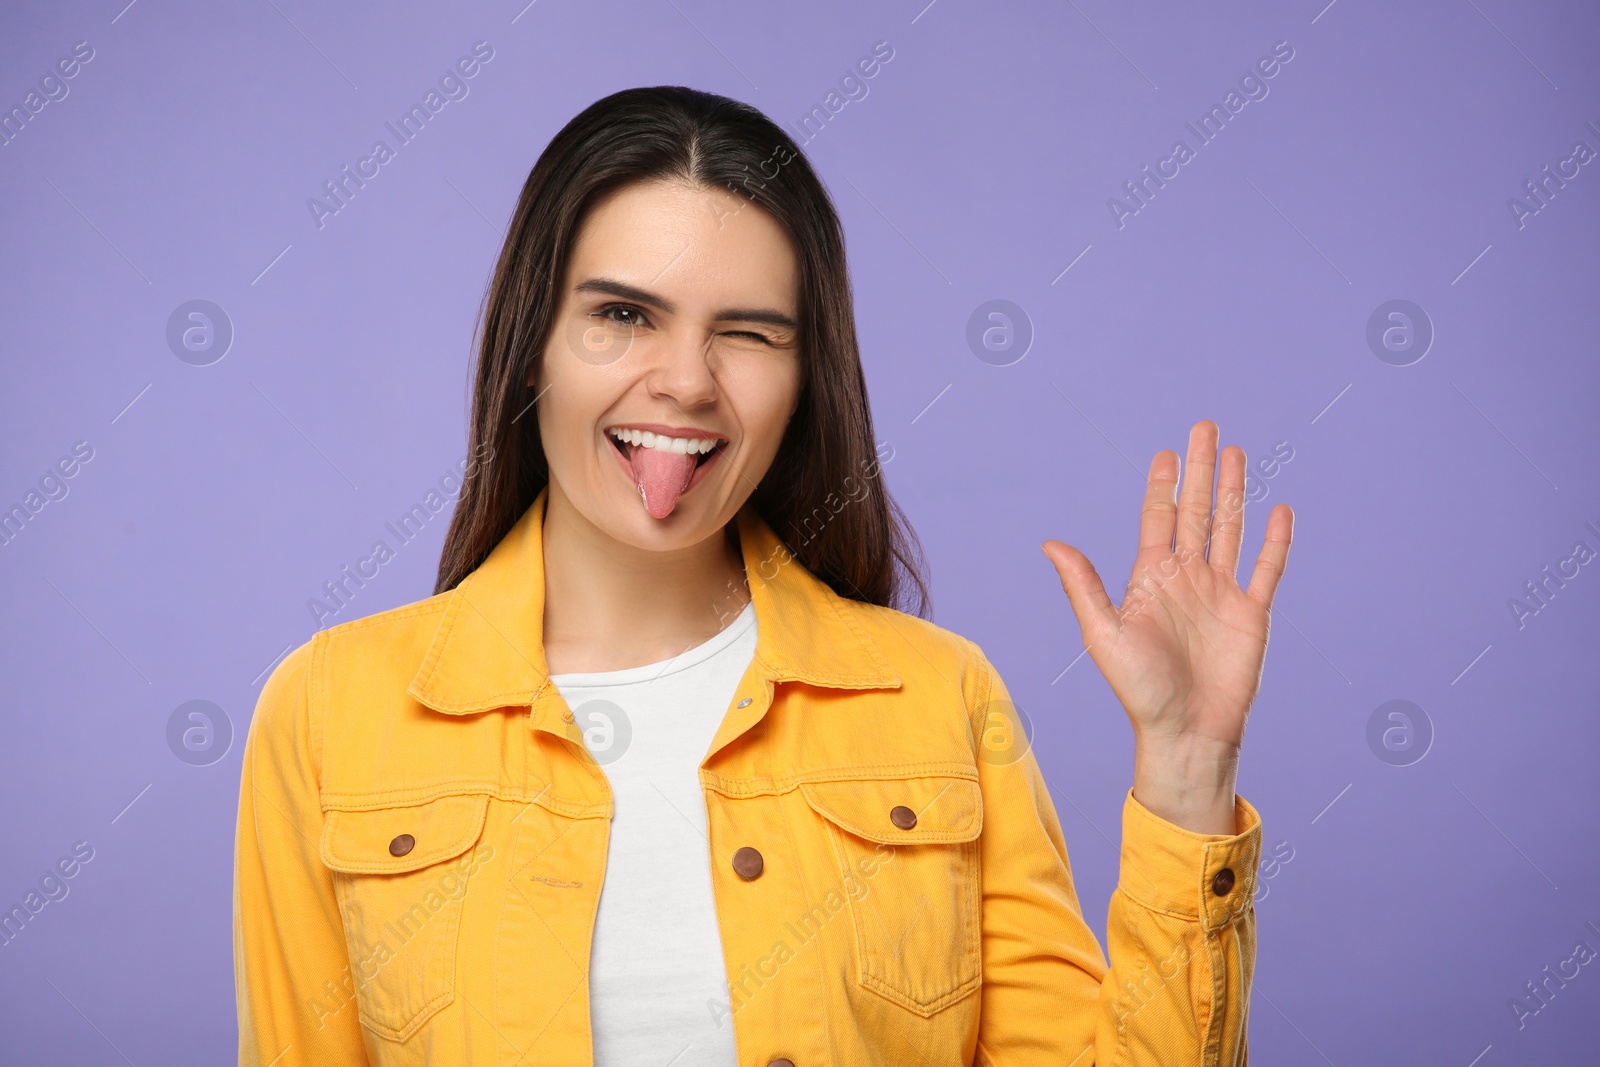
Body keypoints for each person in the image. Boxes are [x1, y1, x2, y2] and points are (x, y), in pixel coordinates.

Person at [233, 85, 1294, 1067]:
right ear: (531, 349)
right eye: (623, 314)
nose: (687, 381)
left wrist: (1188, 767)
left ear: (802, 382)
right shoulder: (330, 713)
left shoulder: (939, 697)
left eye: (746, 333)